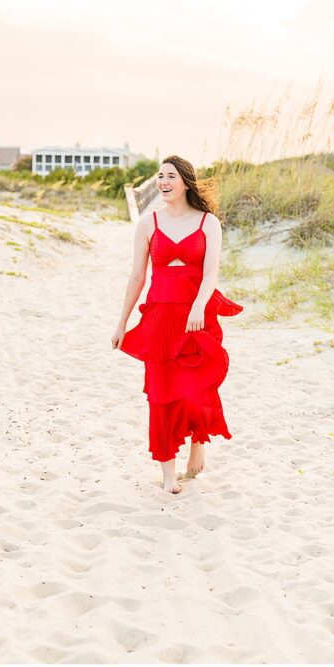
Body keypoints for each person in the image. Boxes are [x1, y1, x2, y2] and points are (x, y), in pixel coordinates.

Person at [111, 155, 242, 492]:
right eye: (160, 176)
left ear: (185, 181)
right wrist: (122, 323)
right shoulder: (148, 223)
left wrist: (199, 305)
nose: (163, 182)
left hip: (197, 313)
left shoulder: (207, 222)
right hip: (160, 316)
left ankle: (199, 439)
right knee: (161, 391)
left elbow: (211, 272)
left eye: (170, 176)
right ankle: (168, 471)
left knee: (199, 383)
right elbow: (138, 276)